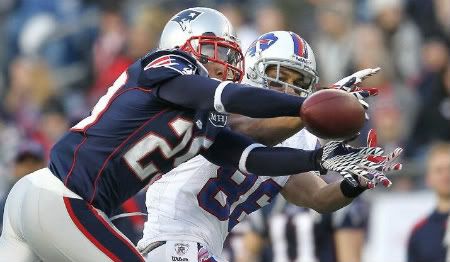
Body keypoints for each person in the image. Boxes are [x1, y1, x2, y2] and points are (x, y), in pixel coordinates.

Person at [0, 8, 392, 261]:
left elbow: (251, 156)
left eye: (297, 84)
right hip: (70, 201)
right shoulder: (166, 67)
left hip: (53, 203)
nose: (221, 62)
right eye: (212, 50)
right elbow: (237, 110)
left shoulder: (208, 123)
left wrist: (324, 163)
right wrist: (308, 109)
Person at [137, 30, 401, 261]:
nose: (289, 89)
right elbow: (252, 132)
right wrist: (314, 108)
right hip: (174, 241)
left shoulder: (297, 133)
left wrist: (354, 183)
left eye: (299, 83)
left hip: (199, 247)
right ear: (253, 69)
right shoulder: (226, 98)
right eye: (280, 75)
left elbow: (318, 198)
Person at [407, 142, 450, 262]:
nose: (446, 175)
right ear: (428, 178)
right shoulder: (419, 232)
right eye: (439, 170)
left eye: (449, 168)